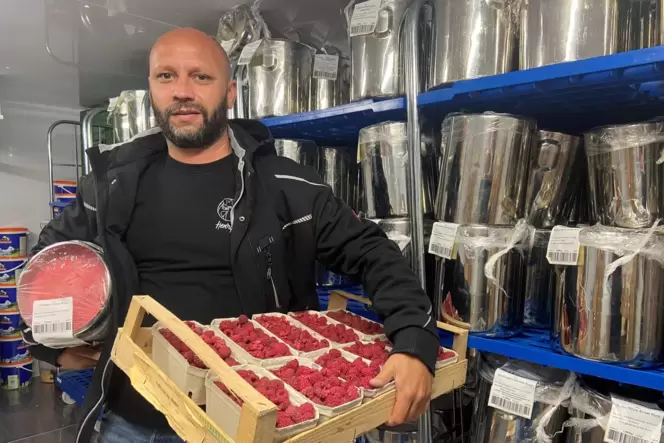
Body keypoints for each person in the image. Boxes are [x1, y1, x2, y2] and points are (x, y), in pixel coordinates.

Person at [26, 28, 439, 443]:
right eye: (166, 76)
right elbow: (46, 266)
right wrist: (53, 347)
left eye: (201, 77)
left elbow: (372, 252)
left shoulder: (287, 186)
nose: (182, 91)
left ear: (230, 93)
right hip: (134, 423)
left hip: (256, 423)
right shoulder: (110, 186)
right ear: (151, 88)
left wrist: (413, 341)